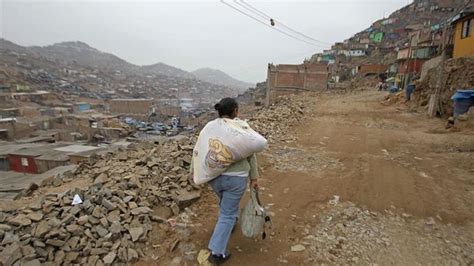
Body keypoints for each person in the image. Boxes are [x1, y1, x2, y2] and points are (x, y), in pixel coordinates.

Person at [190, 97, 259, 264]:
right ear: (235, 111)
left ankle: (231, 221)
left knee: (226, 203)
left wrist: (194, 171)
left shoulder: (209, 128)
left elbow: (199, 149)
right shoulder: (241, 128)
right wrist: (254, 177)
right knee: (227, 213)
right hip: (236, 179)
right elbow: (251, 152)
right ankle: (217, 253)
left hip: (214, 178)